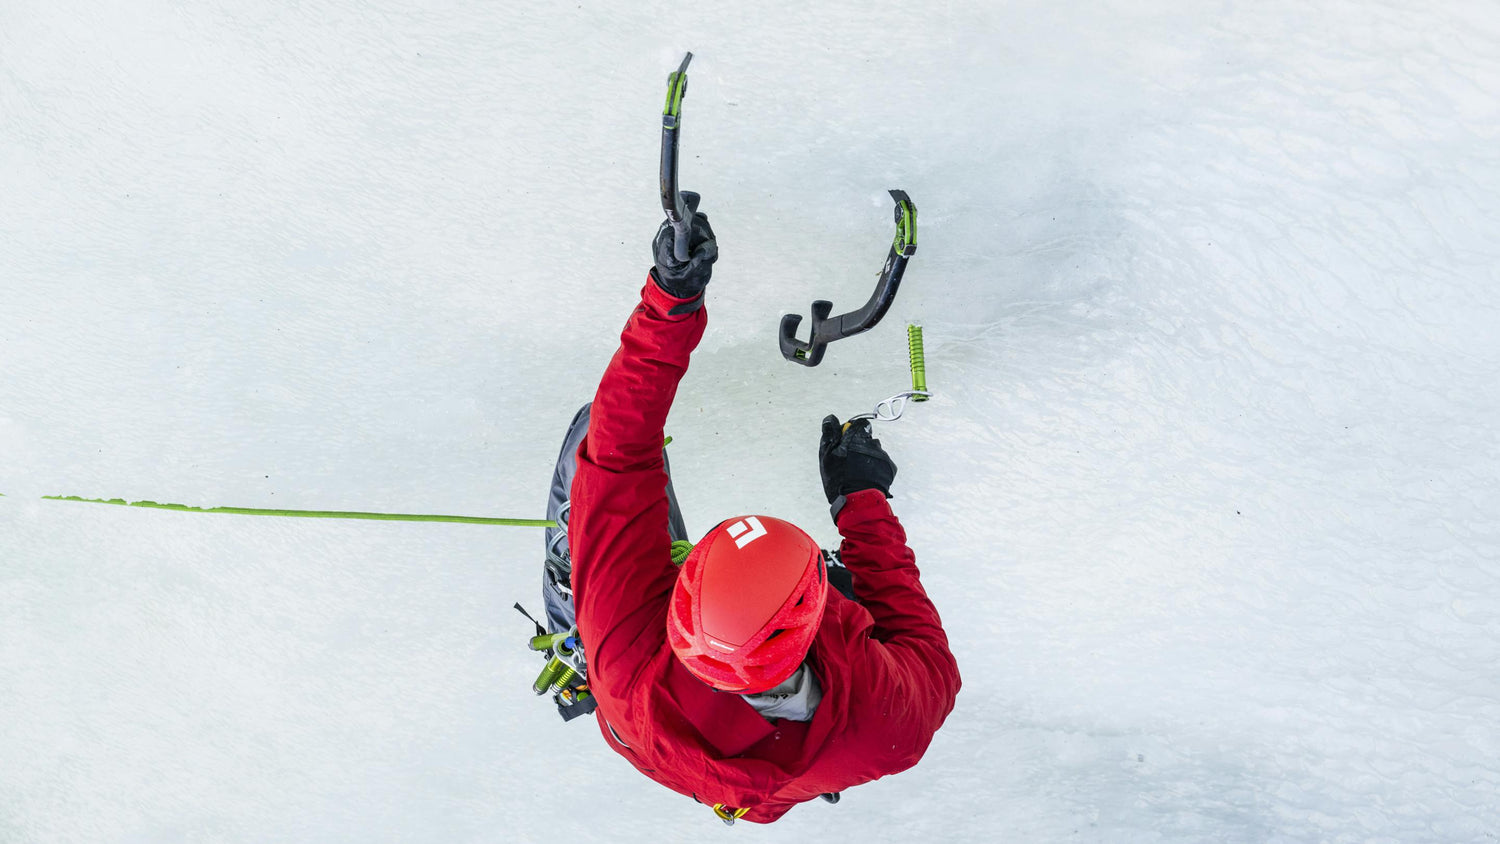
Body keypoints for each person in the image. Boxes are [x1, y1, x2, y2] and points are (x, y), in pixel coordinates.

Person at [541, 193, 960, 824]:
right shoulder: (889, 721)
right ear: (816, 613)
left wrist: (671, 299)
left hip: (640, 701)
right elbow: (920, 641)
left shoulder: (628, 651)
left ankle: (571, 613)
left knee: (591, 438)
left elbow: (618, 449)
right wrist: (862, 499)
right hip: (765, 753)